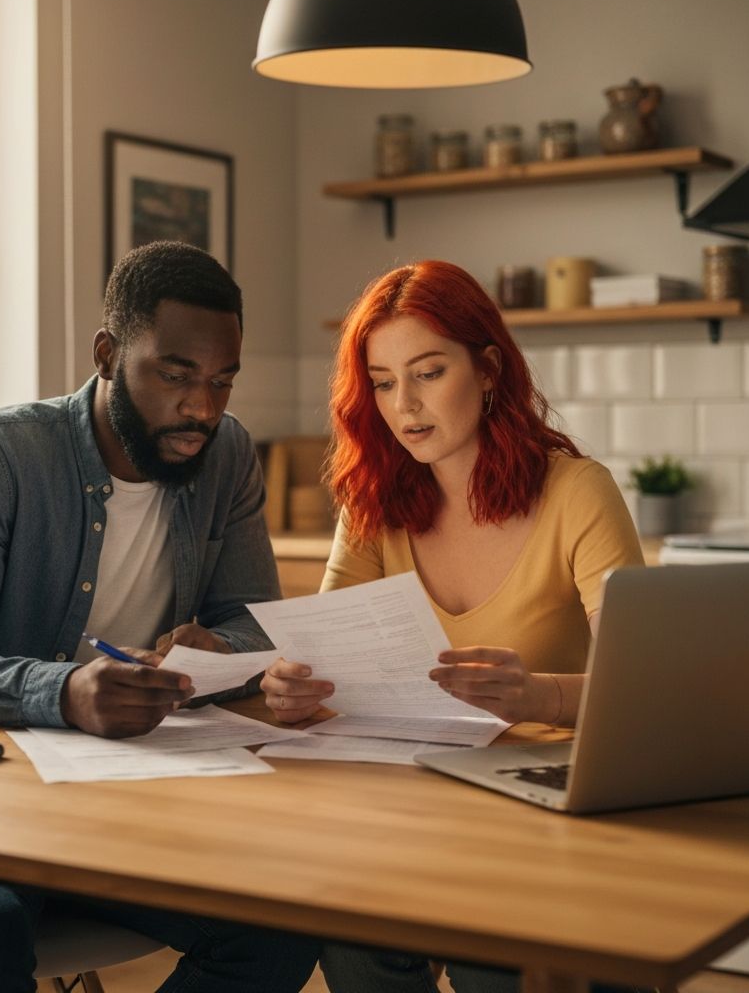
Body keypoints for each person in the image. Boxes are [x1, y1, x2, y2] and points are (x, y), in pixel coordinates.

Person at [0, 241, 319, 993]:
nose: (203, 408)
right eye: (176, 376)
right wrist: (64, 692)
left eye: (222, 382)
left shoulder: (228, 454)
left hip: (132, 801)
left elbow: (255, 624)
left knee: (286, 926)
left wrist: (218, 648)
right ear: (108, 354)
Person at [259, 259, 643, 993]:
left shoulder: (577, 493)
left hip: (549, 816)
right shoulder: (371, 502)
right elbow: (324, 657)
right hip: (414, 808)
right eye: (382, 381)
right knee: (351, 938)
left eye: (428, 372)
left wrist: (538, 699)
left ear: (489, 368)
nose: (404, 405)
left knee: (488, 955)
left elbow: (648, 693)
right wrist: (296, 686)